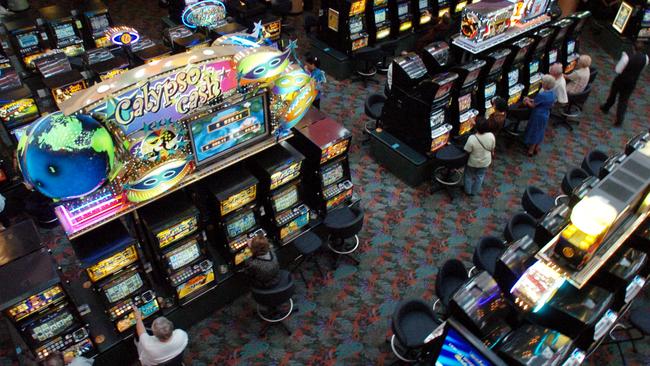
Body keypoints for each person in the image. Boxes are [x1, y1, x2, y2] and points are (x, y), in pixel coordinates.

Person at [600, 41, 649, 126]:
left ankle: (606, 108)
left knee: (613, 95)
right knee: (624, 100)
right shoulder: (646, 58)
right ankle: (619, 120)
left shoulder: (626, 57)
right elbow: (641, 69)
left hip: (621, 80)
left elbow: (618, 70)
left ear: (633, 47)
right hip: (632, 82)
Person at [523, 75, 556, 157]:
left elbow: (532, 106)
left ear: (546, 84)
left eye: (543, 82)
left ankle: (530, 150)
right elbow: (548, 103)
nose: (542, 82)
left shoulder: (542, 95)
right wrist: (533, 100)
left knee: (535, 131)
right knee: (541, 130)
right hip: (546, 113)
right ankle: (536, 148)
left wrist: (527, 101)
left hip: (538, 115)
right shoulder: (553, 94)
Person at [463, 120, 495, 196]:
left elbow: (467, 151)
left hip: (473, 162)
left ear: (476, 128)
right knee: (480, 177)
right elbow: (492, 148)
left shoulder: (472, 138)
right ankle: (474, 192)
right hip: (485, 162)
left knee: (468, 175)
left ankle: (468, 191)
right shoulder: (491, 135)